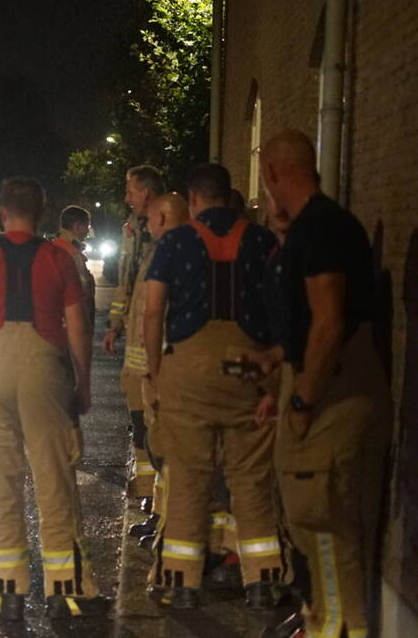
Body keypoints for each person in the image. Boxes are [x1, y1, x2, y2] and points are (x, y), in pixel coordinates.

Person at [247, 129, 391, 638]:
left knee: (325, 525)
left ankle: (335, 628)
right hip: (333, 388)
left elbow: (329, 322)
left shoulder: (320, 228)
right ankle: (326, 624)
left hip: (333, 400)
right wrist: (280, 366)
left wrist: (303, 401)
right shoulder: (320, 227)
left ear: (272, 172)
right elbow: (316, 324)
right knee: (318, 527)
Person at [0, 177, 103, 621]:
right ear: (42, 212)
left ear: (2, 211)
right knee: (55, 483)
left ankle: (8, 591)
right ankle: (64, 590)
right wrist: (83, 383)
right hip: (44, 373)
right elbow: (77, 327)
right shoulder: (58, 258)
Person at [142, 163, 288, 610]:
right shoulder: (263, 241)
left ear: (194, 198)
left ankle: (179, 584)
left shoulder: (175, 242)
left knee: (189, 478)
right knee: (251, 479)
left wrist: (157, 371)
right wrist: (274, 378)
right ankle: (263, 581)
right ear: (228, 194)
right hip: (249, 366)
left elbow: (153, 310)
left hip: (189, 369)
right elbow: (283, 309)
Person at [126, 193, 189, 546]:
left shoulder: (174, 254)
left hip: (165, 365)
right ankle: (161, 514)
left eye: (151, 219)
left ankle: (168, 520)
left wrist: (154, 366)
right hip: (159, 364)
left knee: (170, 447)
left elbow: (155, 314)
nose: (147, 225)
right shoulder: (170, 251)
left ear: (163, 218)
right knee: (159, 442)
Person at [103, 165, 163, 508]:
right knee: (140, 421)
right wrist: (114, 324)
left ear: (147, 193)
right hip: (136, 346)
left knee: (158, 426)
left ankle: (157, 501)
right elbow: (125, 282)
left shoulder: (167, 235)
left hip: (157, 348)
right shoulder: (132, 232)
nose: (127, 199)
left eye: (131, 192)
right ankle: (146, 492)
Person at [53, 205, 97, 334]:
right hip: (71, 327)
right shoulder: (71, 254)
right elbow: (80, 294)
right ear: (77, 226)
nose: (88, 232)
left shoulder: (54, 248)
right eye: (87, 227)